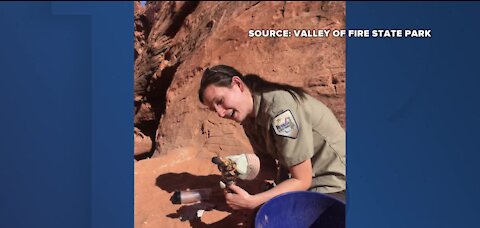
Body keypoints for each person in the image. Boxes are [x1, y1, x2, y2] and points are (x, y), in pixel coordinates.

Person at [198, 64, 346, 210]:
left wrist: (253, 201)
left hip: (335, 184)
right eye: (213, 109)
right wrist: (239, 168)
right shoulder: (249, 118)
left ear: (238, 84)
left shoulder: (280, 111)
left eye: (220, 101)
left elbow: (302, 180)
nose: (220, 113)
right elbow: (270, 168)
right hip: (306, 182)